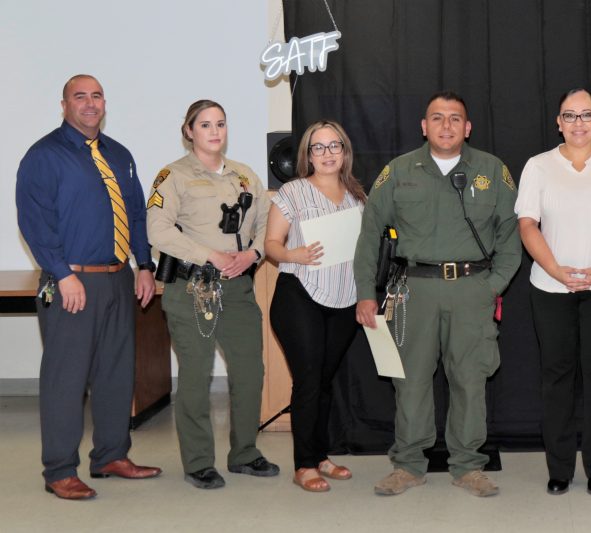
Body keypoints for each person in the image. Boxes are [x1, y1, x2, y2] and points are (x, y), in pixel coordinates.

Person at [353, 91, 520, 497]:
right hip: (414, 291)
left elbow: (511, 238)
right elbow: (370, 235)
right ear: (423, 126)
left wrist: (490, 287)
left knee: (469, 379)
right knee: (409, 381)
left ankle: (468, 465)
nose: (446, 125)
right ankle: (408, 464)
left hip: (471, 291)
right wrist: (365, 293)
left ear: (468, 127)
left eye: (455, 118)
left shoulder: (491, 171)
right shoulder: (399, 172)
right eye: (437, 118)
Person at [15, 74, 162, 500]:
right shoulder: (44, 156)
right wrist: (62, 274)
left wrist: (145, 265)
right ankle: (59, 469)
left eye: (96, 96)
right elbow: (34, 222)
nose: (90, 103)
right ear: (63, 105)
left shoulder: (119, 155)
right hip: (72, 282)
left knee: (117, 372)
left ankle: (111, 455)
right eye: (80, 97)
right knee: (67, 377)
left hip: (119, 279)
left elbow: (134, 214)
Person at [146, 99, 278, 489]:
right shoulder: (172, 176)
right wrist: (211, 255)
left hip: (237, 286)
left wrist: (253, 253)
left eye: (220, 123)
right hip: (191, 286)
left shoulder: (244, 175)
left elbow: (268, 222)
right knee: (196, 374)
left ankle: (245, 453)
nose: (214, 131)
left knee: (251, 372)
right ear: (189, 131)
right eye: (205, 125)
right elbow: (159, 230)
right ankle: (199, 461)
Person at [515, 88, 591, 496]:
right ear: (558, 122)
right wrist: (556, 271)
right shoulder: (538, 166)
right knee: (557, 377)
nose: (579, 123)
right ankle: (560, 468)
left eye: (587, 115)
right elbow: (528, 226)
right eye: (570, 116)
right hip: (550, 288)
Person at [265, 120, 365, 492]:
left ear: (345, 151)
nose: (327, 154)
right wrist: (295, 253)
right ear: (307, 154)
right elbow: (271, 244)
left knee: (324, 382)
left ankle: (320, 455)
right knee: (308, 381)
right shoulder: (292, 191)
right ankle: (304, 464)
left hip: (343, 299)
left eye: (334, 146)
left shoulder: (357, 194)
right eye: (318, 147)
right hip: (299, 295)